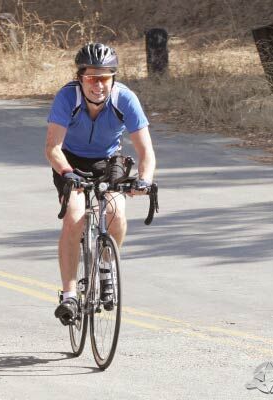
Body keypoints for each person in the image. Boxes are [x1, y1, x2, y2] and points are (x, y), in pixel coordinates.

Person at [45, 43, 156, 325]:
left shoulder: (125, 98)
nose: (98, 85)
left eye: (104, 78)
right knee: (74, 216)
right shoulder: (67, 97)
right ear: (80, 78)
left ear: (113, 78)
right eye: (92, 78)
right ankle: (70, 294)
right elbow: (53, 148)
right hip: (70, 161)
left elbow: (146, 151)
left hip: (108, 160)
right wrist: (67, 173)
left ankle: (107, 268)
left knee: (115, 212)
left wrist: (144, 180)